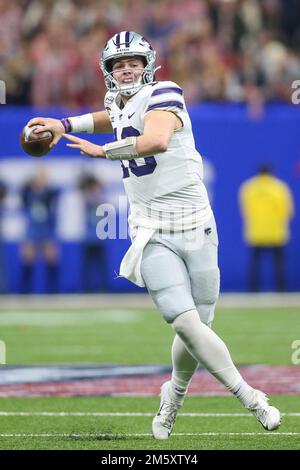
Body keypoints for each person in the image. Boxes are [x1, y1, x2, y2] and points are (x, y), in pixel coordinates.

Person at [27, 31, 281, 439]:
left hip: (195, 223)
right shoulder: (116, 99)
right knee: (184, 323)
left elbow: (157, 139)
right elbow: (113, 116)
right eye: (118, 64)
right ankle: (252, 398)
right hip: (150, 229)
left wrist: (104, 151)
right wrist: (63, 124)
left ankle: (173, 396)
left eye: (133, 62)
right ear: (108, 71)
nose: (126, 69)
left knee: (201, 324)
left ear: (148, 65)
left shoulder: (166, 91)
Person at [239, 165, 294, 292]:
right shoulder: (279, 187)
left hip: (256, 232)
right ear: (271, 173)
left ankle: (253, 291)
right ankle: (281, 291)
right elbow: (288, 211)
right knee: (279, 265)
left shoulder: (249, 188)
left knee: (255, 265)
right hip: (276, 232)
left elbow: (245, 210)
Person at [20, 167, 60, 293]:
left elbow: (56, 193)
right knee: (28, 257)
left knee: (51, 257)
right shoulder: (28, 192)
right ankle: (25, 292)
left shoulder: (49, 193)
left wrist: (45, 182)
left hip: (46, 229)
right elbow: (22, 191)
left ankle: (53, 292)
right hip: (32, 229)